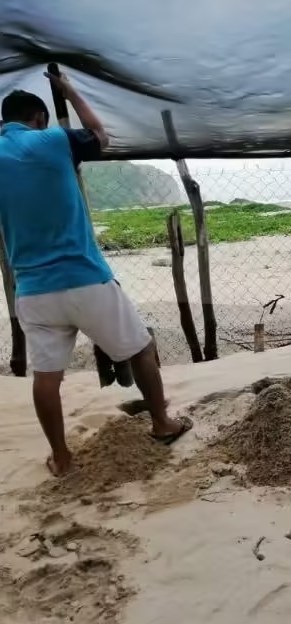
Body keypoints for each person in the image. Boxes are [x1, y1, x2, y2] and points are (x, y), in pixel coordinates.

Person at [0, 71, 191, 477]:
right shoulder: (53, 140)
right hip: (85, 277)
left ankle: (62, 458)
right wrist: (69, 91)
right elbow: (100, 134)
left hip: (32, 289)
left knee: (46, 377)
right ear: (38, 118)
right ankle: (162, 424)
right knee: (140, 349)